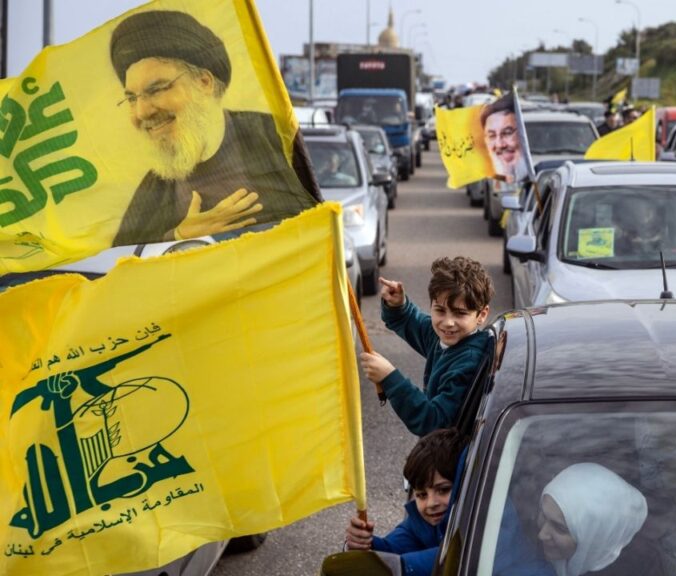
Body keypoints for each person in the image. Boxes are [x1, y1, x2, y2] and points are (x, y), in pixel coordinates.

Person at [108, 10, 318, 246]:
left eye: (156, 89)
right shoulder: (152, 191)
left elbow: (313, 231)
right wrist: (178, 238)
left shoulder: (272, 138)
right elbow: (125, 263)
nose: (142, 112)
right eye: (132, 98)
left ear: (204, 82)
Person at [359, 256, 494, 436]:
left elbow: (432, 423)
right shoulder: (446, 337)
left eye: (460, 313)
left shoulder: (468, 363)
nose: (448, 323)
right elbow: (411, 322)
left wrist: (389, 377)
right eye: (440, 310)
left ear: (482, 315)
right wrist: (399, 305)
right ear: (431, 306)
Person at [344, 428, 466, 576]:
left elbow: (456, 555)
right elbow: (390, 550)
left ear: (464, 482)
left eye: (443, 490)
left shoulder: (477, 523)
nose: (431, 503)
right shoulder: (419, 523)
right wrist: (363, 544)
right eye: (422, 495)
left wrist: (402, 567)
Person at [535, 463, 650, 576]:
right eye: (544, 516)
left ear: (595, 536)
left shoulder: (637, 570)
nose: (541, 535)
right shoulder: (530, 540)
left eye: (560, 528)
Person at [481, 95, 529, 184]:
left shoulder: (540, 173)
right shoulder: (493, 175)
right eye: (492, 136)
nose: (499, 144)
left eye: (507, 133)